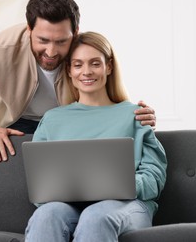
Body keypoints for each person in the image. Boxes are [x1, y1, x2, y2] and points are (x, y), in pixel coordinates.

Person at [0, 0, 156, 163]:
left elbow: (103, 88)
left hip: (69, 123)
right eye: (43, 40)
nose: (51, 52)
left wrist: (132, 117)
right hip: (19, 123)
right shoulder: (0, 49)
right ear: (29, 29)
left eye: (61, 41)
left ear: (74, 33)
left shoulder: (82, 51)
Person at [24, 31, 167, 241]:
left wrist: (123, 185)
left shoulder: (135, 114)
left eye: (95, 63)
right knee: (46, 215)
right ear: (70, 71)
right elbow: (41, 188)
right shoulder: (52, 119)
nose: (87, 72)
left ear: (108, 67)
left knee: (96, 216)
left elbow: (155, 176)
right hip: (69, 207)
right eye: (78, 64)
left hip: (127, 206)